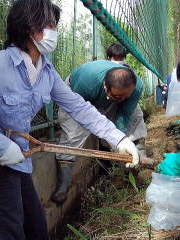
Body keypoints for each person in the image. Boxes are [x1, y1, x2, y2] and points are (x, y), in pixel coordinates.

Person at [0, 0, 139, 239]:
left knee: (37, 230)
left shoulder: (46, 71)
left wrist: (119, 139)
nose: (54, 32)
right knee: (11, 230)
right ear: (28, 27)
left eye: (55, 26)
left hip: (22, 159)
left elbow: (79, 107)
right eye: (49, 25)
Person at [51, 60, 144, 204]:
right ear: (105, 86)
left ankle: (130, 168)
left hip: (107, 97)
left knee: (134, 118)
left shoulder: (135, 88)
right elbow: (77, 108)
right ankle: (63, 185)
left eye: (124, 97)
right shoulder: (87, 82)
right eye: (117, 96)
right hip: (77, 98)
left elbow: (124, 115)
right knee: (74, 135)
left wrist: (120, 141)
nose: (122, 100)